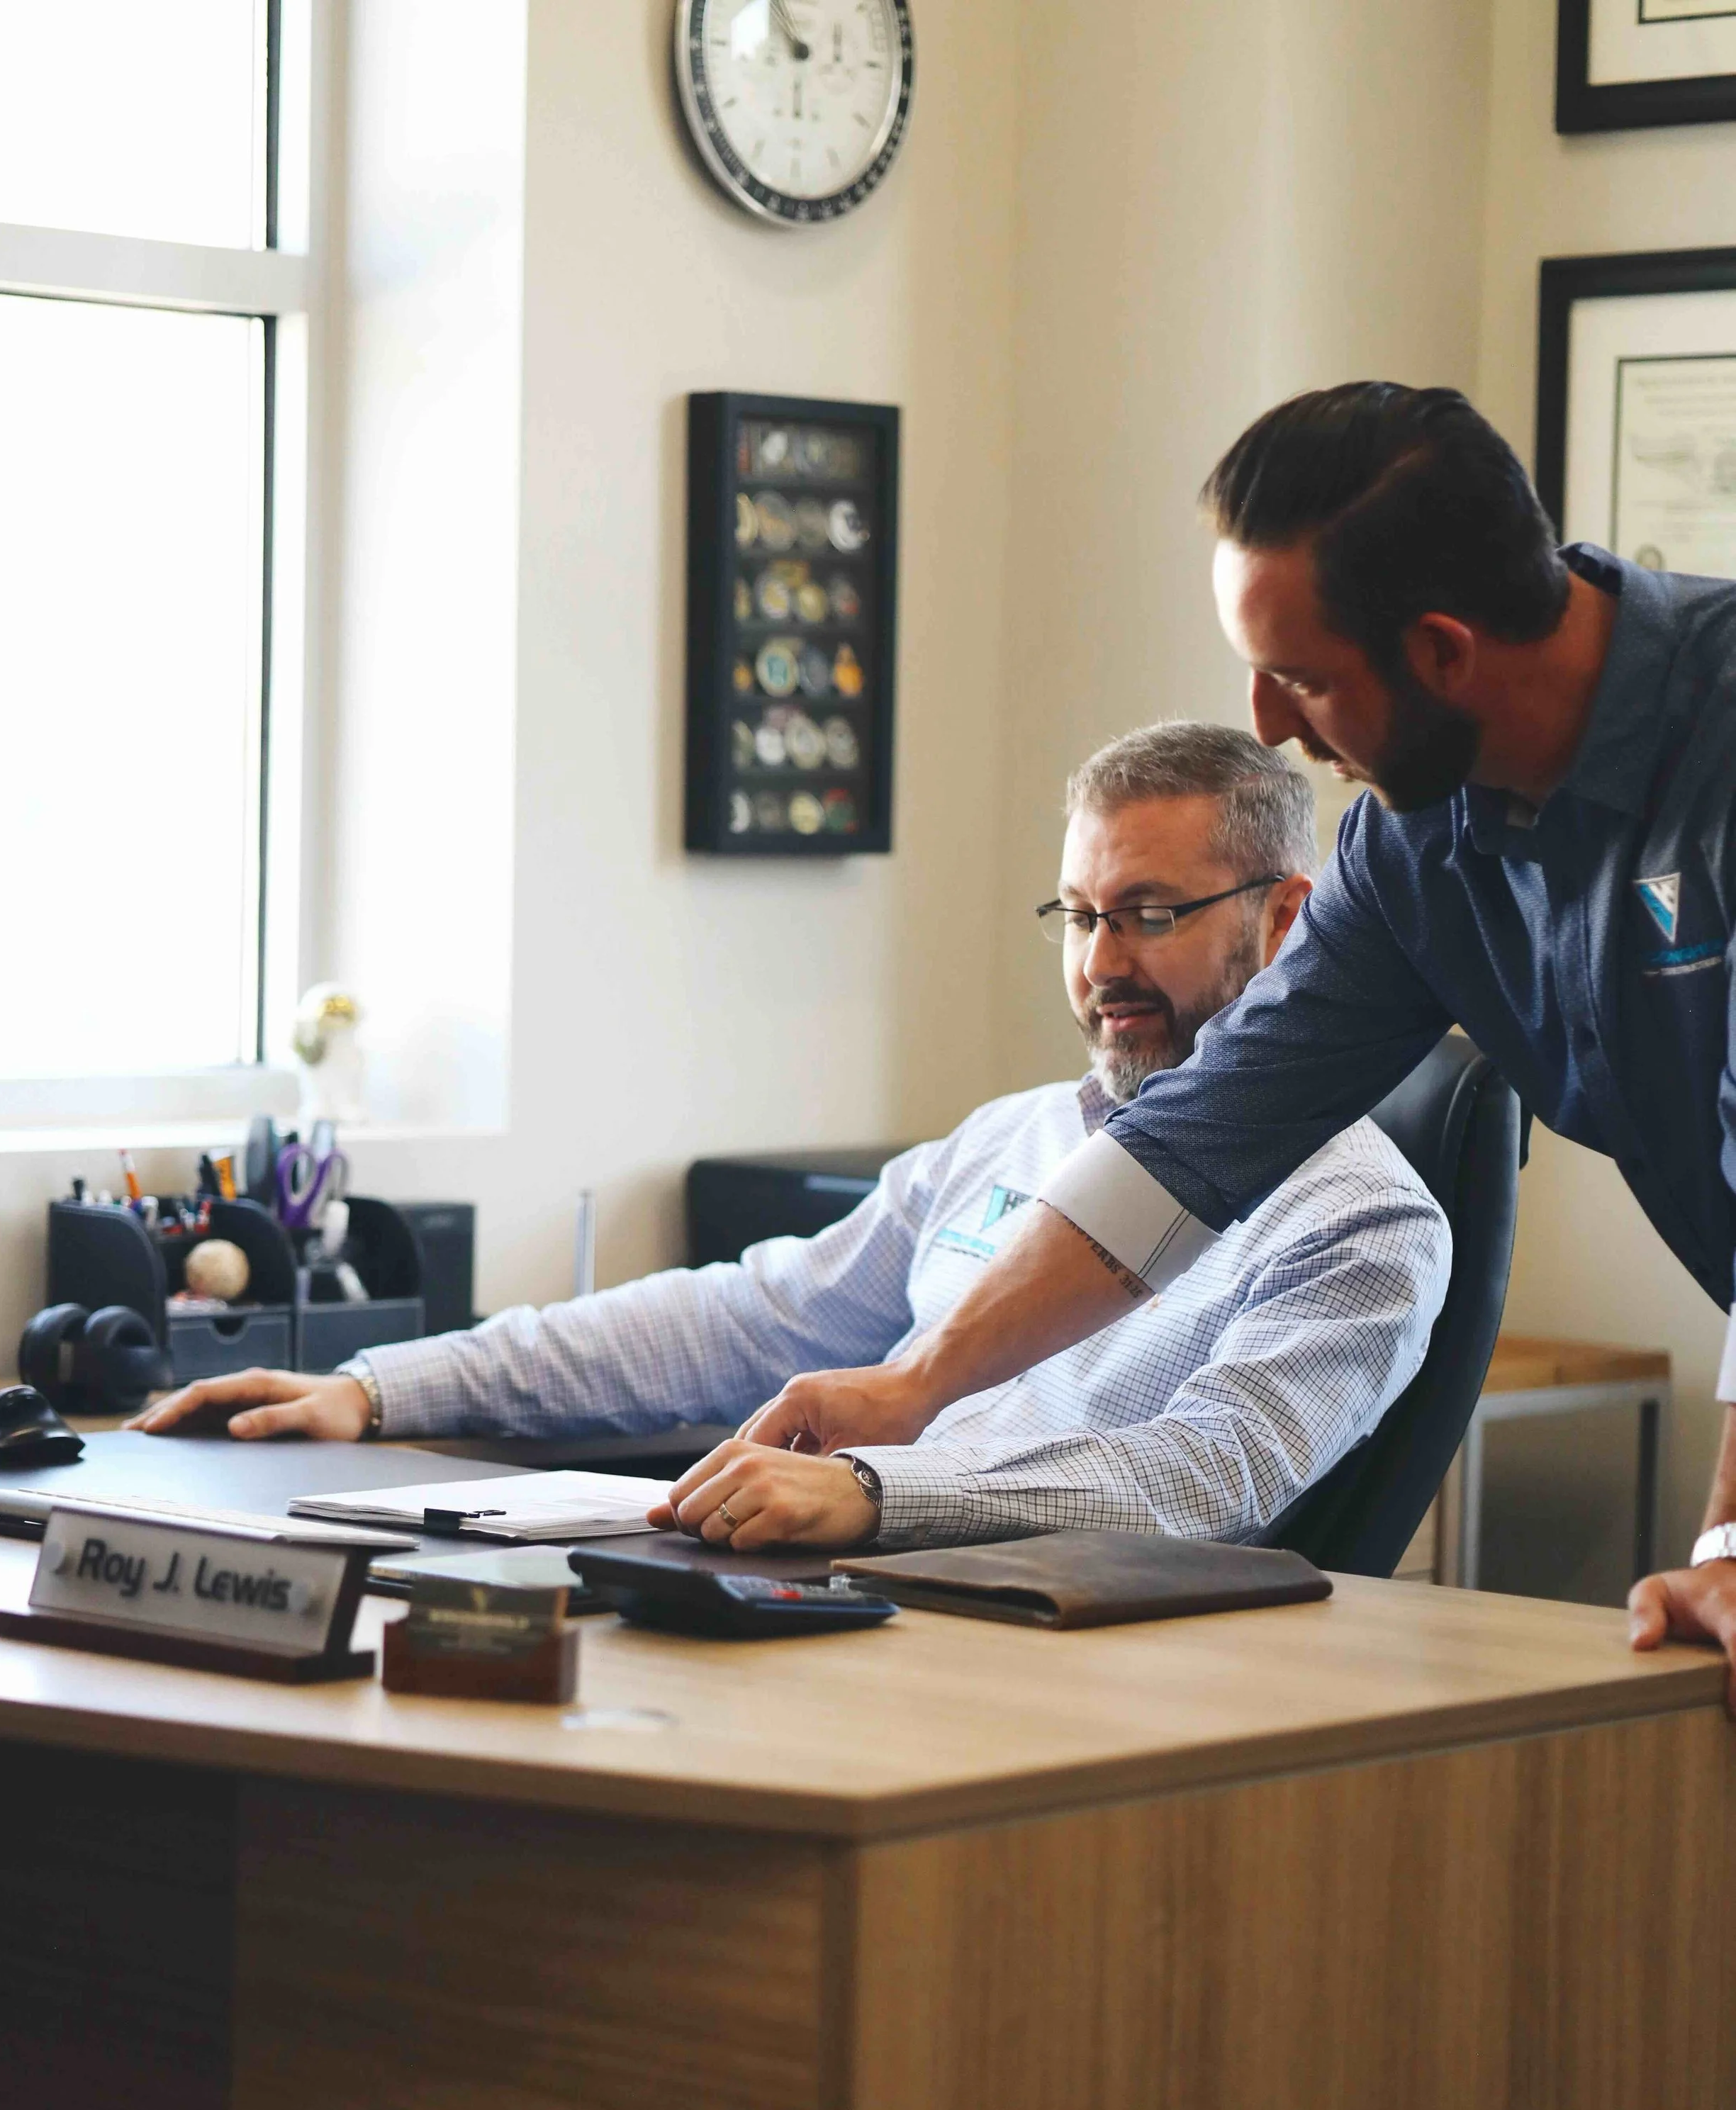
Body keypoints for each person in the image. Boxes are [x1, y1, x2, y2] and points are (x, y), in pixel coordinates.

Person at [738, 383, 1736, 1680]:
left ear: (1442, 652)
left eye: (1302, 678)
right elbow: (1191, 1147)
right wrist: (917, 1386)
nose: (1268, 722)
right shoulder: (1417, 848)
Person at [129, 723, 1449, 1554]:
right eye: (1077, 915)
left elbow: (1207, 1476)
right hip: (858, 1606)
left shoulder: (1362, 1219)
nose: (1100, 962)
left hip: (1090, 1682)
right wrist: (382, 1388)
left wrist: (880, 1492)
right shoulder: (1009, 1141)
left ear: (1285, 921)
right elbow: (753, 1318)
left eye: (1148, 913)